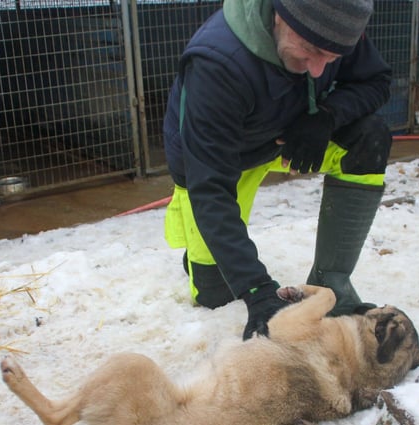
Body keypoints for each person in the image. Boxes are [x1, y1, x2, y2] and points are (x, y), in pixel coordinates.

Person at [163, 0, 392, 340]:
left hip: (284, 138)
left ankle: (332, 282)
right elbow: (209, 187)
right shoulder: (218, 63)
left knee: (370, 136)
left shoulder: (335, 28)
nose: (317, 69)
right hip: (218, 161)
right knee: (216, 295)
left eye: (331, 59)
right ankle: (201, 258)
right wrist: (258, 292)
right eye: (310, 50)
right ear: (280, 16)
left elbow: (376, 81)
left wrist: (328, 115)